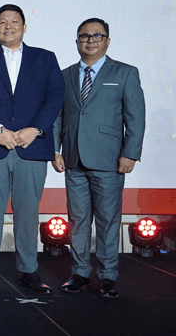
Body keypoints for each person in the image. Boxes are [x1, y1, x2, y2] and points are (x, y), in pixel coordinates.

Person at [0, 4, 64, 294]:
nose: (8, 26)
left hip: (32, 146)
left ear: (24, 27)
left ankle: (29, 271)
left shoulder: (45, 58)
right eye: (2, 22)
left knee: (28, 212)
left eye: (14, 21)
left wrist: (36, 129)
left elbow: (55, 96)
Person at [52, 18, 145, 298]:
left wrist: (130, 153)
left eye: (97, 35)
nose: (90, 40)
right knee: (78, 220)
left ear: (107, 40)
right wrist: (54, 150)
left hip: (109, 160)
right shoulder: (65, 75)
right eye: (84, 36)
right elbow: (57, 117)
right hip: (73, 159)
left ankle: (107, 276)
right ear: (77, 41)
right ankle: (80, 273)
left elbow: (135, 118)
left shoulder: (126, 73)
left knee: (107, 220)